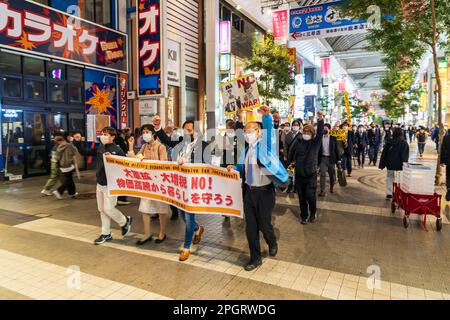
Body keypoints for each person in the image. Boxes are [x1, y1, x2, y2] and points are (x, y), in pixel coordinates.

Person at [228, 106, 289, 271]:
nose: (248, 134)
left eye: (252, 131)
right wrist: (232, 169)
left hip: (265, 193)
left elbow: (270, 132)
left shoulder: (265, 146)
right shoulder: (246, 151)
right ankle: (255, 258)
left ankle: (272, 241)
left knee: (264, 224)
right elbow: (241, 167)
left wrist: (267, 116)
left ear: (259, 133)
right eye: (246, 131)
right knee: (251, 228)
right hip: (249, 193)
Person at [152, 116, 210, 262]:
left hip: (194, 187)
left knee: (189, 217)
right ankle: (197, 229)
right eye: (184, 130)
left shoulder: (204, 145)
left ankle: (186, 247)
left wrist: (190, 164)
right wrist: (158, 127)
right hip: (180, 186)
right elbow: (165, 141)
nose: (186, 132)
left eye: (189, 130)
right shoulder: (181, 143)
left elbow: (207, 166)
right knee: (183, 216)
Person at [128, 124, 169, 245]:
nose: (145, 134)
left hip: (159, 183)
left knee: (161, 209)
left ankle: (162, 232)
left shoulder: (160, 147)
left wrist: (145, 162)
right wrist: (131, 146)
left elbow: (163, 163)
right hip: (147, 183)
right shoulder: (144, 147)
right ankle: (147, 234)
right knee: (144, 209)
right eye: (143, 132)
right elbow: (135, 160)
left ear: (153, 134)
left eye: (147, 131)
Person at [94, 127, 132, 245]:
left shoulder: (117, 150)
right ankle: (106, 234)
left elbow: (125, 166)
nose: (104, 136)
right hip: (100, 183)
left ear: (113, 137)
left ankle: (124, 221)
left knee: (108, 208)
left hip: (111, 184)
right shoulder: (100, 147)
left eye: (106, 134)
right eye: (103, 133)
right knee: (102, 210)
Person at [287, 112, 324, 225]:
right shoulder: (298, 142)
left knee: (310, 195)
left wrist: (320, 119)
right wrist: (289, 169)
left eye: (309, 132)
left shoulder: (315, 143)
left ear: (312, 134)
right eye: (305, 131)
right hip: (299, 175)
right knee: (302, 197)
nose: (306, 133)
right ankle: (304, 215)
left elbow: (320, 133)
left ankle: (313, 212)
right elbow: (291, 155)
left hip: (311, 175)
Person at [379, 127, 409, 199]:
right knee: (400, 179)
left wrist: (382, 164)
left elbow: (384, 153)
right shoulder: (404, 143)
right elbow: (404, 155)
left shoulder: (389, 141)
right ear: (402, 133)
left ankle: (389, 193)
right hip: (399, 164)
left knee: (389, 177)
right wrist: (405, 164)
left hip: (390, 163)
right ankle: (399, 193)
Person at [318, 123, 340, 197]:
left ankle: (331, 186)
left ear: (329, 130)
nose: (324, 130)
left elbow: (337, 150)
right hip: (323, 158)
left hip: (331, 159)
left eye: (326, 128)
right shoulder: (320, 138)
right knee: (322, 174)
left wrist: (338, 159)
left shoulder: (333, 138)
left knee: (331, 174)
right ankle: (322, 191)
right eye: (323, 128)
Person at [440, 129, 450, 201]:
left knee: (448, 175)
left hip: (449, 161)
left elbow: (443, 149)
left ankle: (449, 189)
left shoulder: (446, 138)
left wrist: (442, 161)